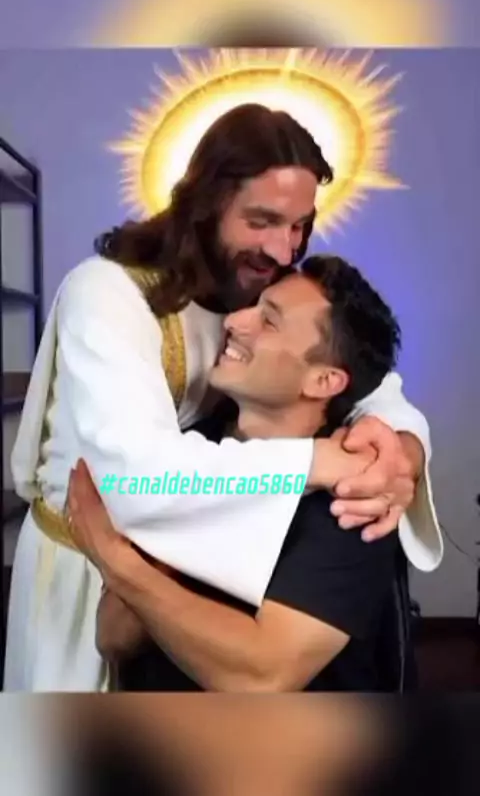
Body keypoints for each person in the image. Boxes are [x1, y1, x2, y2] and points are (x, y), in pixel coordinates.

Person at [4, 104, 441, 692]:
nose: (283, 250)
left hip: (183, 549)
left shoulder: (259, 283)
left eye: (299, 225)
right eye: (262, 221)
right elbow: (136, 480)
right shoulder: (107, 294)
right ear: (206, 203)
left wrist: (401, 450)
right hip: (82, 566)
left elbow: (365, 378)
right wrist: (317, 460)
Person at [69, 255, 433, 691]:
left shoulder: (355, 497)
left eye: (269, 321)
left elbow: (261, 676)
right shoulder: (185, 450)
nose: (234, 321)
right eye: (253, 306)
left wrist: (116, 560)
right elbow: (112, 637)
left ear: (323, 381)